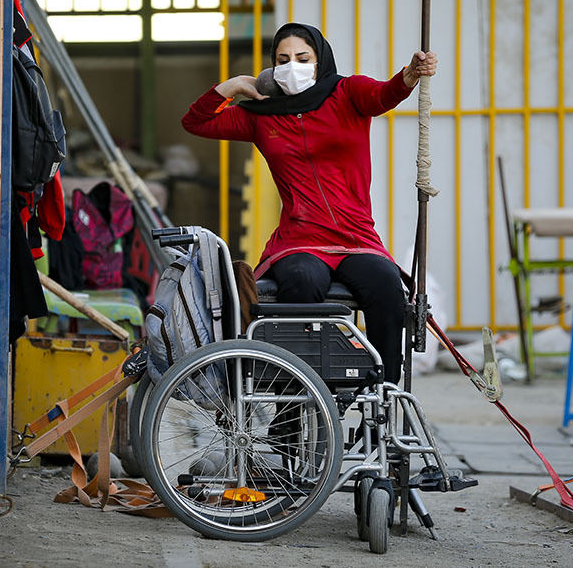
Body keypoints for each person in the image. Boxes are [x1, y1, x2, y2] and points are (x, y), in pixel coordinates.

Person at [181, 22, 437, 384]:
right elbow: (195, 122)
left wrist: (410, 74)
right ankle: (300, 395)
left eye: (303, 58)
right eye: (282, 60)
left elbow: (384, 95)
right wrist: (234, 85)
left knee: (386, 287)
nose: (293, 66)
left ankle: (384, 391)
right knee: (301, 282)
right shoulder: (261, 116)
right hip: (299, 242)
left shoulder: (348, 92)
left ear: (321, 61)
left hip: (357, 239)